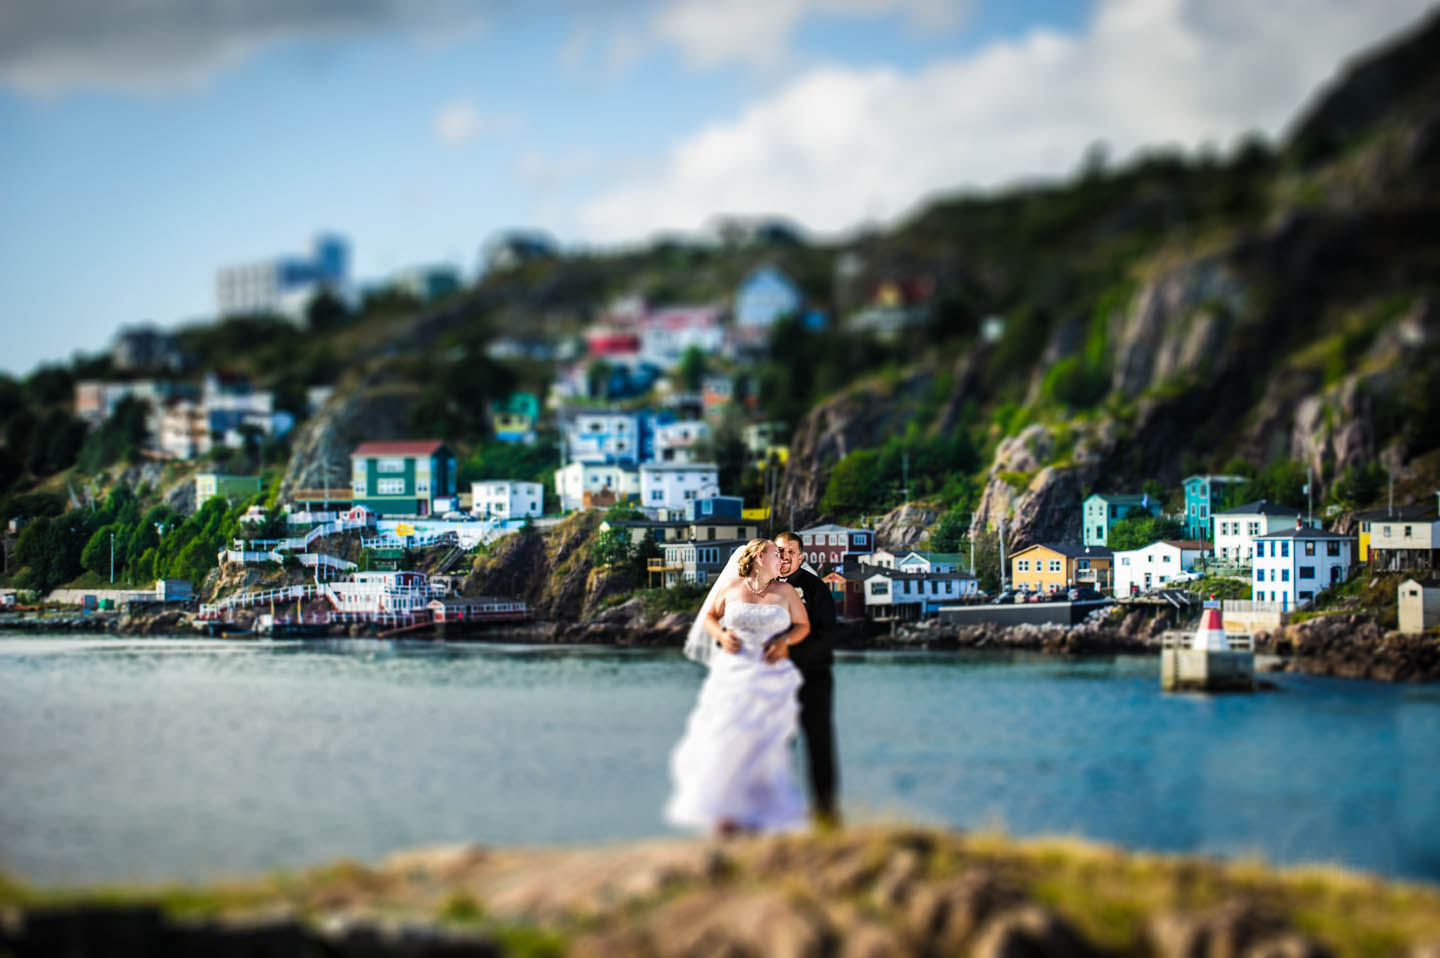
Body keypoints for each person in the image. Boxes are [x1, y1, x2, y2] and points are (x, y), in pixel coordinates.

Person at [666, 538, 811, 836]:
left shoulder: (785, 592)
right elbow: (708, 616)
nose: (782, 559)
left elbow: (803, 625)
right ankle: (725, 813)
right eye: (776, 553)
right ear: (760, 557)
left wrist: (785, 643)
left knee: (766, 745)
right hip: (733, 674)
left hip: (771, 676)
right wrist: (721, 634)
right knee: (726, 739)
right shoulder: (731, 587)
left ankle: (762, 814)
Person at [772, 531, 841, 827]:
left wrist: (793, 657)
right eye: (780, 551)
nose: (785, 557)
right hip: (775, 685)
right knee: (774, 747)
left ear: (801, 557)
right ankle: (776, 809)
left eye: (791, 552)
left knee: (819, 745)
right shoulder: (763, 589)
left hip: (813, 679)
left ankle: (826, 812)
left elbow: (828, 634)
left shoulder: (816, 589)